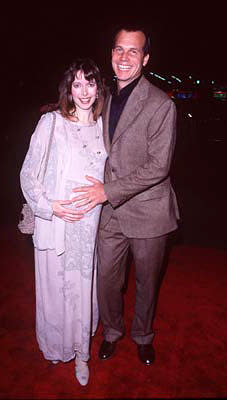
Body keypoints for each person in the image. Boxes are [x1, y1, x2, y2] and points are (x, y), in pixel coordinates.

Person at [72, 25, 179, 365]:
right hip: (110, 214)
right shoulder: (102, 97)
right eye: (119, 49)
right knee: (106, 279)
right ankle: (113, 331)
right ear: (111, 54)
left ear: (145, 58)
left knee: (147, 283)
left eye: (133, 51)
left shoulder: (161, 104)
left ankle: (143, 335)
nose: (124, 57)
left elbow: (158, 166)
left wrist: (108, 191)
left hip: (149, 212)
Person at [20, 58, 107, 385]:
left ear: (99, 87)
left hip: (88, 229)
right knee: (55, 291)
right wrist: (51, 207)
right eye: (77, 84)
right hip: (56, 222)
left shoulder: (103, 128)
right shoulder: (51, 123)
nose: (84, 91)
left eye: (91, 83)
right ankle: (57, 346)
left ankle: (81, 355)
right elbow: (28, 175)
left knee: (83, 291)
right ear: (68, 90)